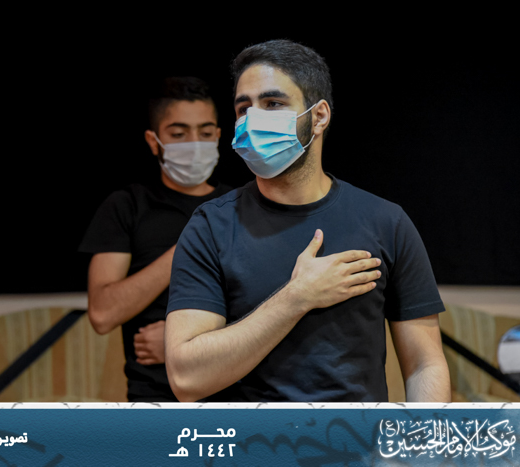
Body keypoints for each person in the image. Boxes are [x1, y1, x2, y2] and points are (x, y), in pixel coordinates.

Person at [165, 40, 451, 403]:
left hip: (355, 438)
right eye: (243, 108)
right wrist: (296, 298)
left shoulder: (385, 221)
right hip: (248, 439)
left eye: (273, 104)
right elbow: (187, 379)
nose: (253, 119)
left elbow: (426, 364)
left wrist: (425, 437)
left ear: (319, 116)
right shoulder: (210, 226)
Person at [79, 77, 233, 402]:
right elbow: (102, 314)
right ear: (154, 141)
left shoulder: (241, 207)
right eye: (178, 134)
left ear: (219, 136)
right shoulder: (126, 207)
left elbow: (274, 305)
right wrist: (188, 247)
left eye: (205, 133)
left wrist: (183, 343)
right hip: (154, 401)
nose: (194, 144)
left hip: (235, 396)